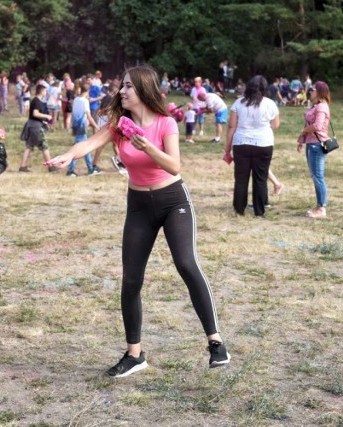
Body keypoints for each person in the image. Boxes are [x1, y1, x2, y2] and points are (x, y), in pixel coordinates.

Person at [45, 65, 231, 377]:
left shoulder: (166, 124)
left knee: (186, 263)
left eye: (128, 86)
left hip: (173, 201)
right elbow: (89, 143)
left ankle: (216, 342)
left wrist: (149, 147)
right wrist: (69, 155)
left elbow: (173, 165)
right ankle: (135, 354)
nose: (122, 91)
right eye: (122, 86)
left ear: (143, 89)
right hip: (139, 205)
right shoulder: (120, 125)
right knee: (131, 279)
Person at [224, 75, 280, 217]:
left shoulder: (238, 103)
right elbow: (275, 125)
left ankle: (239, 209)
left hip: (241, 143)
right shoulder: (270, 104)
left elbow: (231, 126)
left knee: (241, 178)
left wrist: (227, 148)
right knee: (260, 178)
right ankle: (259, 211)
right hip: (263, 143)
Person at [297, 81, 332, 218]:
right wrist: (302, 139)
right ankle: (319, 205)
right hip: (311, 144)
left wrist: (303, 131)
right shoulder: (315, 106)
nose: (310, 92)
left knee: (318, 177)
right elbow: (309, 123)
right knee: (315, 176)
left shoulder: (322, 107)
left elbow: (317, 126)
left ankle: (321, 208)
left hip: (317, 145)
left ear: (319, 91)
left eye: (312, 90)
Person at [18, 84, 59, 173]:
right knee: (44, 145)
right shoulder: (37, 101)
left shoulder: (36, 100)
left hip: (32, 125)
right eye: (45, 91)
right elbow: (35, 114)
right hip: (35, 127)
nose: (46, 92)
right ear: (42, 91)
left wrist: (43, 121)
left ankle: (22, 166)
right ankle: (51, 167)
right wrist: (47, 116)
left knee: (29, 146)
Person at [66, 84, 99, 177]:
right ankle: (71, 170)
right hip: (81, 127)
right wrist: (96, 127)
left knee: (83, 148)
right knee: (79, 149)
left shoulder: (76, 99)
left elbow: (73, 113)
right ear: (88, 91)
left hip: (76, 126)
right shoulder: (85, 101)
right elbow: (89, 116)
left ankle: (90, 169)